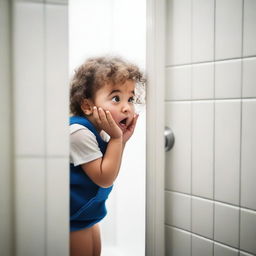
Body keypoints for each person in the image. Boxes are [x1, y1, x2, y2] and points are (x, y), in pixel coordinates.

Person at [69, 56, 145, 256]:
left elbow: (111, 165)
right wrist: (117, 140)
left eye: (131, 98)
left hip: (86, 215)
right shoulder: (78, 132)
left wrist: (122, 141)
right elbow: (104, 178)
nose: (127, 107)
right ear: (87, 106)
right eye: (116, 98)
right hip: (71, 219)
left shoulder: (102, 131)